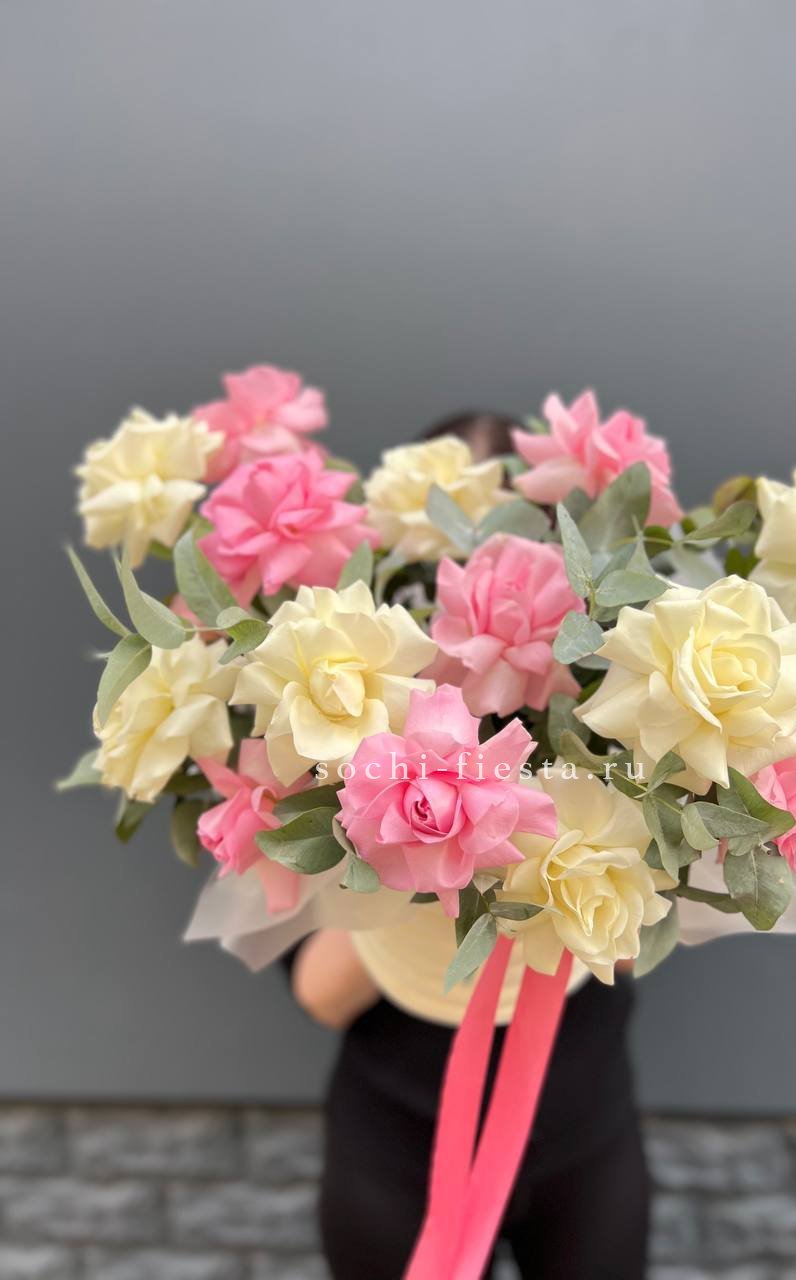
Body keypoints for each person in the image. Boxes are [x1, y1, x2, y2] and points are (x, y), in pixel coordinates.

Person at [286, 411, 652, 1280]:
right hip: (395, 1147)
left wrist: (572, 827)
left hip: (585, 1131)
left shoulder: (616, 733)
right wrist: (413, 841)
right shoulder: (343, 747)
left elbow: (627, 948)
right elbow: (320, 992)